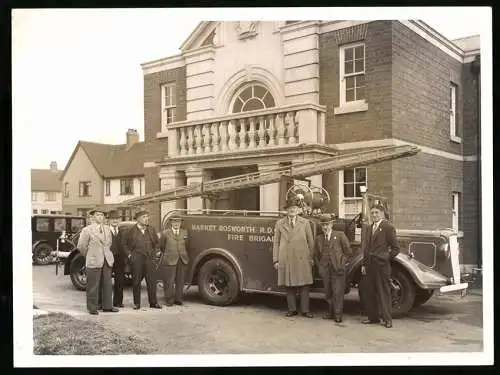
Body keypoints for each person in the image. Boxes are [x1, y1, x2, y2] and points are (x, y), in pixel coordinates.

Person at [272, 197, 315, 318]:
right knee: (289, 284)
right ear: (287, 210)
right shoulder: (280, 223)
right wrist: (276, 259)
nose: (292, 210)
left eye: (295, 208)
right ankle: (292, 309)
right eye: (290, 209)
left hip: (302, 258)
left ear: (298, 210)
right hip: (286, 258)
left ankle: (305, 310)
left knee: (304, 284)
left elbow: (311, 242)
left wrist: (311, 258)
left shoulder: (305, 223)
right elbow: (276, 243)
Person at [360, 203, 400, 328]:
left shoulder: (388, 227)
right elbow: (366, 248)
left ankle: (387, 319)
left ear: (381, 213)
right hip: (369, 265)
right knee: (369, 292)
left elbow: (396, 248)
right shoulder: (369, 227)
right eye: (372, 213)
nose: (374, 215)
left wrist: (385, 258)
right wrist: (364, 264)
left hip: (382, 266)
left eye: (376, 212)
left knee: (384, 293)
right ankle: (373, 318)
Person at [77, 208, 118, 315]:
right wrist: (90, 255)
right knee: (93, 285)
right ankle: (92, 307)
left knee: (107, 284)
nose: (100, 217)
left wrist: (108, 255)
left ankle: (107, 306)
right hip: (94, 260)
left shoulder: (107, 229)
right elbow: (81, 246)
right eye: (98, 215)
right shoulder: (87, 230)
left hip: (107, 260)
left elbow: (108, 244)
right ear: (93, 217)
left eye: (102, 215)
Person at [314, 214, 352, 323]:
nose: (325, 227)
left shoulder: (340, 235)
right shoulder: (319, 239)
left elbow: (348, 252)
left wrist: (342, 263)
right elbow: (315, 255)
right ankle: (330, 312)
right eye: (323, 225)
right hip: (325, 269)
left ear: (331, 224)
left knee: (337, 292)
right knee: (328, 292)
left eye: (327, 224)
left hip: (337, 268)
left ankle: (338, 314)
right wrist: (320, 267)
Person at [123, 209, 162, 310]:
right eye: (144, 217)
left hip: (150, 259)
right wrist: (129, 255)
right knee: (136, 282)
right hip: (137, 258)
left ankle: (153, 303)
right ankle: (137, 303)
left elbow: (157, 243)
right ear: (138, 219)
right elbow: (124, 244)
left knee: (151, 282)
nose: (146, 219)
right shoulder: (131, 230)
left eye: (147, 217)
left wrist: (156, 252)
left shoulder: (151, 229)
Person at [158, 213, 189, 306]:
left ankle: (178, 299)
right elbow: (162, 246)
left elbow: (186, 244)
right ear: (171, 223)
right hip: (169, 259)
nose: (176, 223)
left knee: (180, 280)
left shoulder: (184, 232)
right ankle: (169, 300)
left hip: (182, 259)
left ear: (180, 223)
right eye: (174, 221)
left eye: (178, 221)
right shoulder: (165, 233)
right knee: (169, 281)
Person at [107, 210, 126, 308]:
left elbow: (125, 245)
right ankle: (107, 303)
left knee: (120, 281)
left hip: (119, 259)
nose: (115, 221)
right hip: (108, 258)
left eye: (116, 219)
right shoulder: (106, 231)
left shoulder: (122, 231)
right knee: (107, 281)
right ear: (109, 220)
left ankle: (118, 302)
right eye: (112, 219)